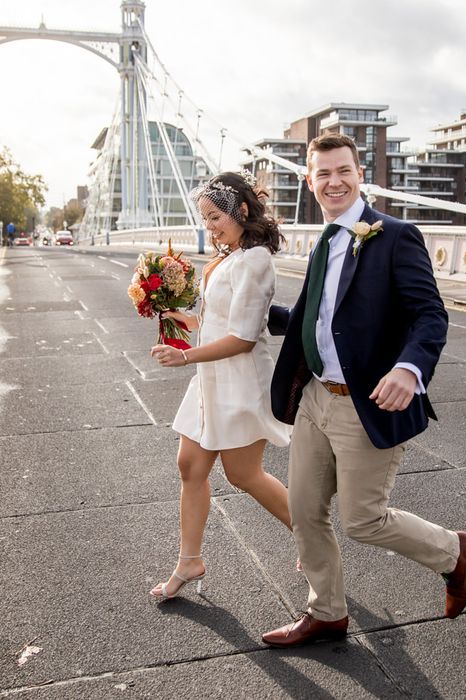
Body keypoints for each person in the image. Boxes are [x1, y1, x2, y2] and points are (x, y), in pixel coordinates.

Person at [262, 134, 466, 648]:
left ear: (361, 174)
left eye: (343, 171)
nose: (333, 182)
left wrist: (409, 367)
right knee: (304, 512)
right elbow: (316, 318)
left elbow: (431, 315)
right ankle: (327, 613)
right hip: (316, 397)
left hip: (367, 403)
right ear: (309, 181)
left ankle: (454, 552)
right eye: (322, 174)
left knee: (362, 520)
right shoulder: (326, 240)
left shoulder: (396, 235)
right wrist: (240, 315)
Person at [149, 171, 292, 600]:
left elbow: (245, 337)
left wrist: (185, 355)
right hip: (211, 378)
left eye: (215, 217)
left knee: (243, 474)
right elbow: (218, 322)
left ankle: (312, 536)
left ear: (241, 210)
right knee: (190, 465)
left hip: (239, 380)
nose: (209, 226)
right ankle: (189, 561)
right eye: (205, 218)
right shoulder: (229, 258)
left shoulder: (255, 260)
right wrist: (183, 321)